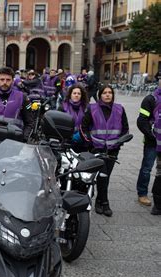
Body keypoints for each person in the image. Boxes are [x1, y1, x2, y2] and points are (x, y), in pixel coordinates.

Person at [80, 85, 129, 217]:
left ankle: (99, 201)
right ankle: (104, 202)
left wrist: (120, 142)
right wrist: (89, 142)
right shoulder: (92, 108)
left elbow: (125, 128)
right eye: (105, 93)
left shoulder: (119, 109)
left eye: (110, 93)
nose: (108, 95)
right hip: (97, 148)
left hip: (113, 149)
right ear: (100, 95)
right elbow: (83, 127)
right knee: (102, 175)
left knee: (106, 177)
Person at [0, 67, 33, 140]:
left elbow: (29, 122)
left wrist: (24, 139)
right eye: (2, 79)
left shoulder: (23, 97)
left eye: (8, 80)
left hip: (14, 140)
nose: (5, 82)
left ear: (13, 81)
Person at [136, 81, 161, 209]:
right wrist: (151, 136)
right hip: (152, 141)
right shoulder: (150, 99)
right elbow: (141, 120)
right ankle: (142, 193)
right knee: (147, 168)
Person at [59, 84, 89, 152]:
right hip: (66, 142)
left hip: (82, 142)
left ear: (81, 96)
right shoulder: (63, 107)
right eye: (74, 93)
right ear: (70, 94)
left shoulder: (86, 108)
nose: (76, 95)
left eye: (79, 93)